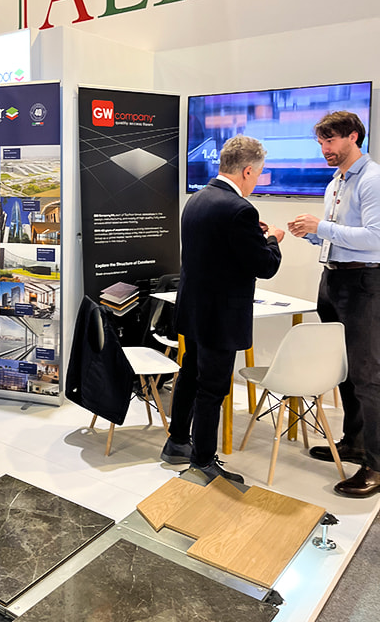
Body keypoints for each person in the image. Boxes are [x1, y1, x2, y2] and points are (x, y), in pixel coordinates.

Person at [161, 135, 284, 482]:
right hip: (221, 316)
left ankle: (176, 442)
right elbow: (265, 266)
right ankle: (202, 462)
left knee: (190, 374)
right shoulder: (241, 210)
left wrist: (252, 236)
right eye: (258, 174)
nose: (257, 180)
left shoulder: (198, 199)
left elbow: (219, 250)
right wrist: (273, 239)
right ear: (247, 171)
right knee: (212, 388)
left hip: (195, 308)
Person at [287, 111, 380, 497]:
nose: (325, 149)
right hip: (334, 279)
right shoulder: (336, 181)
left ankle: (376, 464)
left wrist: (321, 227)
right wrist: (311, 235)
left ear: (353, 137)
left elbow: (375, 238)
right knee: (343, 370)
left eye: (331, 141)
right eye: (321, 142)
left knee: (368, 375)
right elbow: (340, 236)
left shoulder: (372, 179)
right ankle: (354, 443)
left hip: (364, 283)